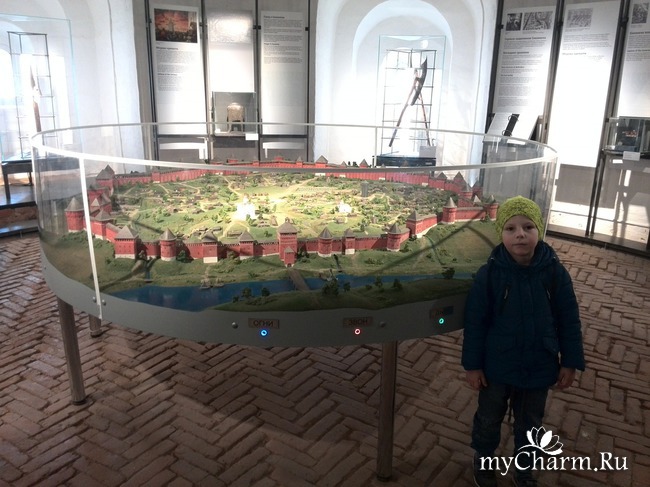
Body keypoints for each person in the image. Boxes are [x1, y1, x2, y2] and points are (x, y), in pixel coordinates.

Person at [462, 196, 585, 487]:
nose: (520, 234)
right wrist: (473, 365)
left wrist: (570, 361)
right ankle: (484, 460)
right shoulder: (489, 275)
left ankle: (524, 469)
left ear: (539, 230)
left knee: (531, 423)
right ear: (501, 234)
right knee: (489, 418)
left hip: (539, 363)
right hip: (497, 366)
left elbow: (569, 319)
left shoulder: (554, 273)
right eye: (511, 228)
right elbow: (476, 323)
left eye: (528, 227)